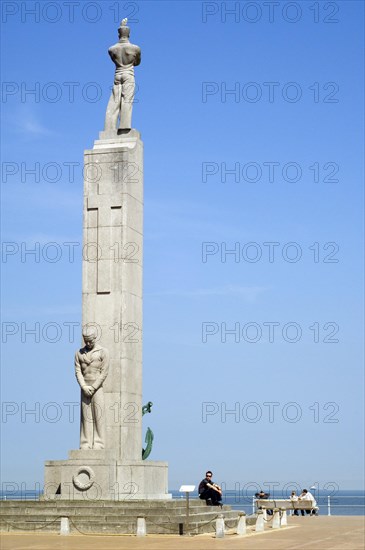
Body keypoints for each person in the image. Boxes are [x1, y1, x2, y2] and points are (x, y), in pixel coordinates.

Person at [104, 18, 141, 133]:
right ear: (128, 34)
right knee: (127, 100)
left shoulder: (112, 49)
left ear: (118, 34)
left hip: (117, 75)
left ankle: (109, 127)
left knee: (114, 100)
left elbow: (113, 60)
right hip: (128, 74)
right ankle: (124, 126)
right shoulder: (135, 48)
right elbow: (138, 62)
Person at [75, 327, 109, 449]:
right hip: (84, 387)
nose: (88, 343)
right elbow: (78, 371)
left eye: (90, 341)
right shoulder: (79, 353)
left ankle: (99, 443)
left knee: (98, 415)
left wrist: (94, 387)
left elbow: (104, 372)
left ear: (95, 338)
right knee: (85, 417)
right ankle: (85, 443)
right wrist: (83, 386)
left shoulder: (103, 352)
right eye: (86, 341)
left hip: (97, 387)